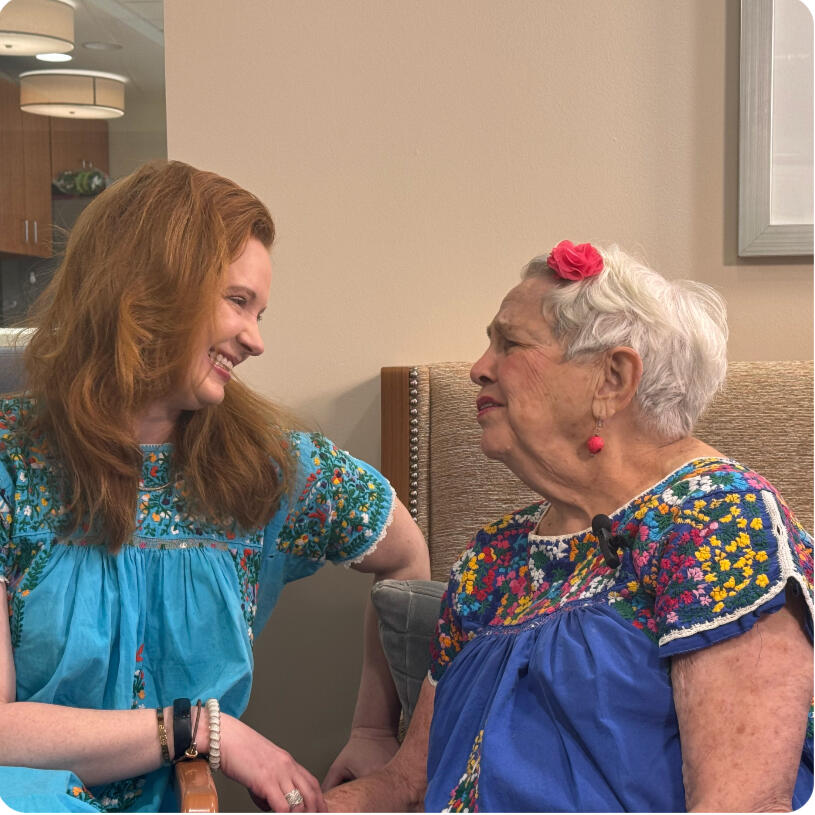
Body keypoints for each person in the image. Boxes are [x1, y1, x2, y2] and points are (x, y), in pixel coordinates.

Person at [0, 160, 429, 812]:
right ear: (150, 286)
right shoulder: (10, 463)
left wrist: (375, 729)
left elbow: (405, 557)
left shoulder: (267, 467)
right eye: (237, 301)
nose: (255, 340)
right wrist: (195, 729)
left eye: (260, 311)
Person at [325, 240, 814, 812]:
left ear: (612, 378)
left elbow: (741, 805)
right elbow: (409, 782)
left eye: (509, 343)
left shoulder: (719, 522)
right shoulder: (496, 556)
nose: (478, 368)